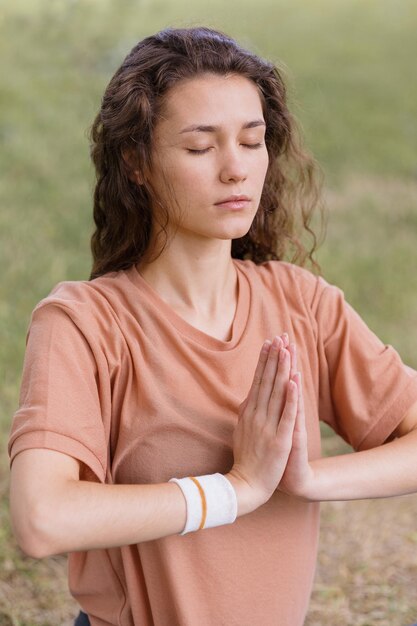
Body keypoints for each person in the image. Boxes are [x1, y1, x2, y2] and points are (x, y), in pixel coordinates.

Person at [7, 25, 417, 626]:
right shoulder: (84, 323)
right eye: (201, 148)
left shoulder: (302, 302)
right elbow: (41, 519)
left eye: (252, 142)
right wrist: (236, 489)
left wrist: (304, 479)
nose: (236, 170)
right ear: (136, 161)